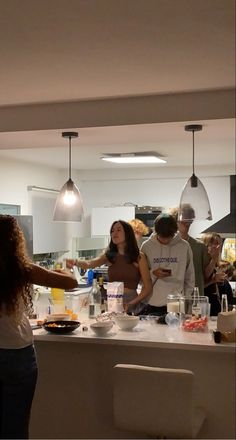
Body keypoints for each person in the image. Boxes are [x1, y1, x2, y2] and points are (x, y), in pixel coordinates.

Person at [0, 214, 77, 439]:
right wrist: (64, 271)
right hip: (18, 354)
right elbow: (71, 283)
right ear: (15, 240)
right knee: (16, 424)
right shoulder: (24, 269)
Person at [67, 220, 152, 313]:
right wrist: (75, 262)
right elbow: (89, 264)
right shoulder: (109, 256)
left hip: (131, 303)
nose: (114, 233)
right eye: (112, 231)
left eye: (118, 230)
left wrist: (132, 303)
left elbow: (147, 287)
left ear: (127, 234)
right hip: (112, 303)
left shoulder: (139, 257)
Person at [140, 213, 195, 316]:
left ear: (174, 232)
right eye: (162, 237)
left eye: (168, 237)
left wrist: (186, 301)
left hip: (177, 303)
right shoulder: (147, 246)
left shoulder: (184, 246)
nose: (165, 241)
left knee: (176, 331)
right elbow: (140, 276)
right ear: (156, 232)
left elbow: (190, 277)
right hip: (152, 303)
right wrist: (153, 273)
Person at [169, 205, 216, 295]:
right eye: (184, 219)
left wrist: (214, 259)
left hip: (195, 298)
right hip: (173, 296)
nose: (188, 222)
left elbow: (205, 275)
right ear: (175, 221)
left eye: (190, 219)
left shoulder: (199, 246)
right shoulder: (168, 245)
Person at [201, 232, 226, 316]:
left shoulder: (214, 261)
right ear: (207, 244)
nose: (218, 247)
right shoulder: (203, 260)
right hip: (205, 301)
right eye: (215, 244)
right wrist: (213, 280)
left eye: (219, 244)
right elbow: (205, 277)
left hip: (214, 301)